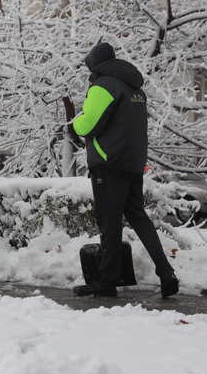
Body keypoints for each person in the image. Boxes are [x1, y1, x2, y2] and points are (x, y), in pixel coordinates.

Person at [71, 42, 180, 299]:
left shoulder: (103, 85)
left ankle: (107, 282)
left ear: (94, 65)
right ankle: (166, 274)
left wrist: (76, 122)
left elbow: (89, 125)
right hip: (132, 164)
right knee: (139, 218)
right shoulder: (134, 88)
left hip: (109, 165)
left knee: (109, 223)